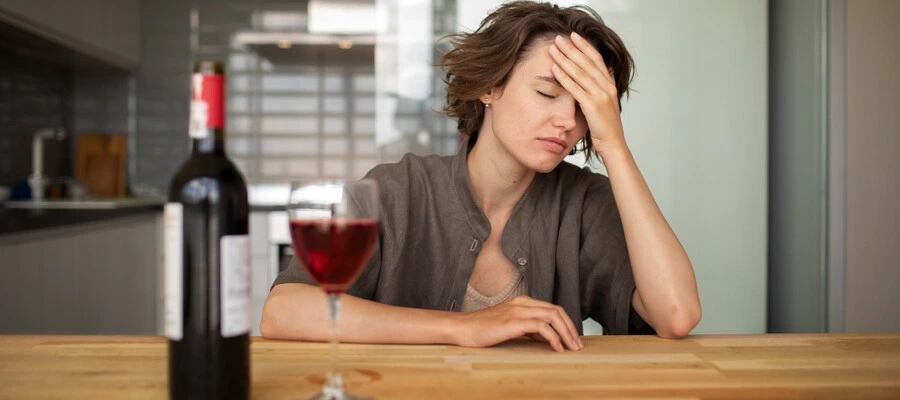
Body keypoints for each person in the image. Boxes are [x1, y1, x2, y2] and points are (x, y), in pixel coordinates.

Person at [260, 0, 701, 352]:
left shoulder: (584, 202)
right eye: (547, 92)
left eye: (584, 107)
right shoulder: (399, 189)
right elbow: (283, 311)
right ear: (491, 87)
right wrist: (461, 327)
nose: (568, 121)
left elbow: (677, 315)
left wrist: (614, 146)